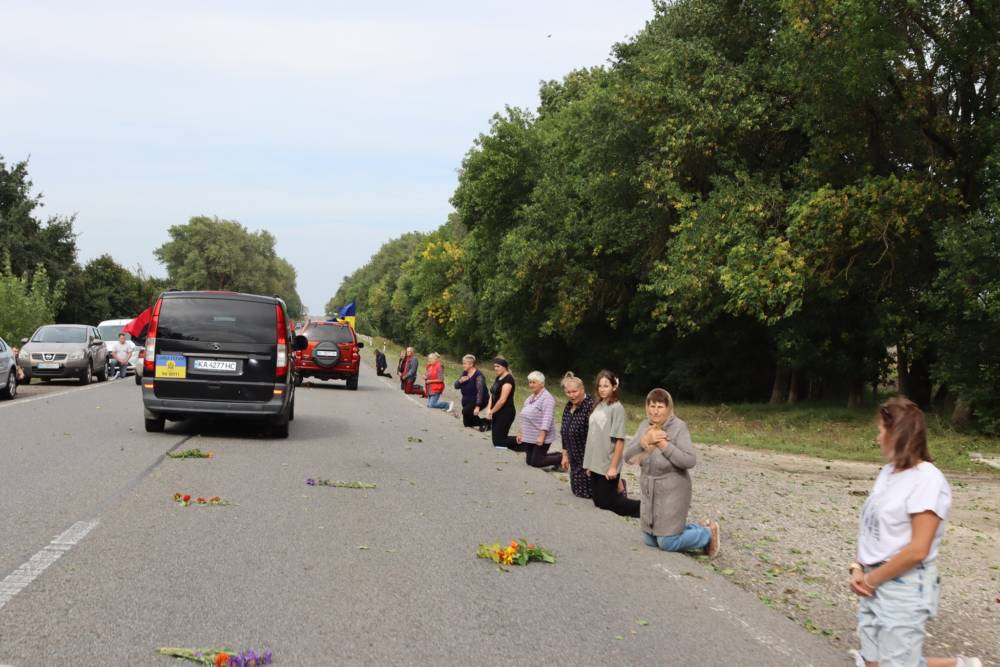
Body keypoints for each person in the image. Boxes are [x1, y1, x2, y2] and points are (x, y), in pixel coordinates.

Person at [848, 398, 980, 667]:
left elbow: (918, 550)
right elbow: (871, 527)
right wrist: (857, 567)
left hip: (903, 584)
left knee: (896, 663)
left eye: (881, 430)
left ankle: (960, 665)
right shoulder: (888, 473)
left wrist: (871, 579)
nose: (877, 437)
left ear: (898, 433)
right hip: (873, 577)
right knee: (873, 659)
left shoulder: (927, 479)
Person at [623, 388, 719, 556]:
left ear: (668, 408)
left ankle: (707, 534)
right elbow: (627, 457)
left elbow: (689, 460)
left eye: (660, 406)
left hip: (673, 491)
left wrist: (663, 445)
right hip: (650, 491)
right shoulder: (644, 426)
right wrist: (643, 442)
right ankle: (697, 528)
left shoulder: (679, 427)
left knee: (667, 542)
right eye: (652, 406)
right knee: (650, 540)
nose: (655, 411)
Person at [582, 370, 639, 517]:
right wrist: (589, 463)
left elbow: (620, 440)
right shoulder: (598, 405)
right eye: (600, 385)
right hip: (595, 461)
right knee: (598, 502)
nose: (602, 389)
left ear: (614, 387)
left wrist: (613, 467)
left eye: (606, 385)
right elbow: (592, 437)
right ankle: (620, 488)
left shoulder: (617, 408)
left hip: (608, 462)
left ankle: (645, 509)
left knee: (606, 503)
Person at [514, 371, 562, 467]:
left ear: (542, 384)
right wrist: (520, 432)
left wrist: (542, 436)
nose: (531, 385)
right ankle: (557, 455)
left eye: (534, 382)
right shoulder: (530, 398)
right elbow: (523, 416)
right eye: (530, 382)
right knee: (529, 461)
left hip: (542, 436)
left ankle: (562, 458)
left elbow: (547, 419)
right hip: (530, 435)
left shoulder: (547, 398)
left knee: (536, 462)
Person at [559, 372, 593, 498]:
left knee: (590, 495)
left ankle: (618, 485)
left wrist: (592, 464)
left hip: (588, 461)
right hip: (574, 459)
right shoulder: (568, 407)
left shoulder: (590, 406)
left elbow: (596, 437)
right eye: (568, 392)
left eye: (575, 391)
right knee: (577, 492)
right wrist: (564, 455)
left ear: (582, 389)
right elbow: (564, 432)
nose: (572, 395)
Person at [483, 357, 517, 449]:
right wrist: (489, 408)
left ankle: (526, 443)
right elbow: (492, 394)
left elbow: (502, 400)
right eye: (494, 366)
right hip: (497, 412)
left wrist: (492, 411)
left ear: (504, 367)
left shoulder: (508, 379)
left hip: (506, 412)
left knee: (499, 442)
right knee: (497, 441)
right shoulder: (498, 378)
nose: (495, 368)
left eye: (498, 366)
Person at [454, 354, 488, 429]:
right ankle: (486, 421)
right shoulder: (465, 373)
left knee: (465, 411)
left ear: (471, 364)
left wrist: (477, 406)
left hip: (478, 399)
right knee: (467, 424)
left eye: (465, 363)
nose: (463, 365)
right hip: (467, 400)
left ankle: (485, 423)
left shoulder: (479, 375)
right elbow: (456, 386)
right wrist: (460, 381)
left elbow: (480, 392)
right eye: (463, 363)